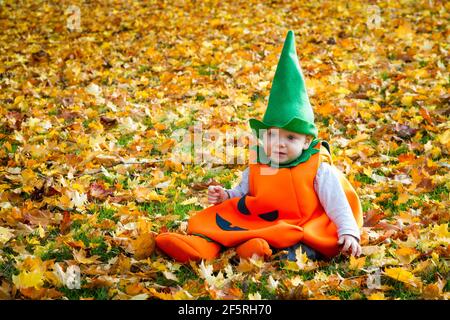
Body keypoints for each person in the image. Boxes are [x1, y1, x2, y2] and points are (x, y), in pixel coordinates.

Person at [155, 30, 363, 263]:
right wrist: (226, 195)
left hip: (301, 226)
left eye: (290, 138)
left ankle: (261, 252)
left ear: (306, 142)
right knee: (221, 217)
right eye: (273, 136)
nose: (280, 144)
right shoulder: (261, 162)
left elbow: (338, 204)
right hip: (263, 221)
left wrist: (348, 232)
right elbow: (244, 193)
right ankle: (201, 246)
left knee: (300, 243)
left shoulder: (318, 170)